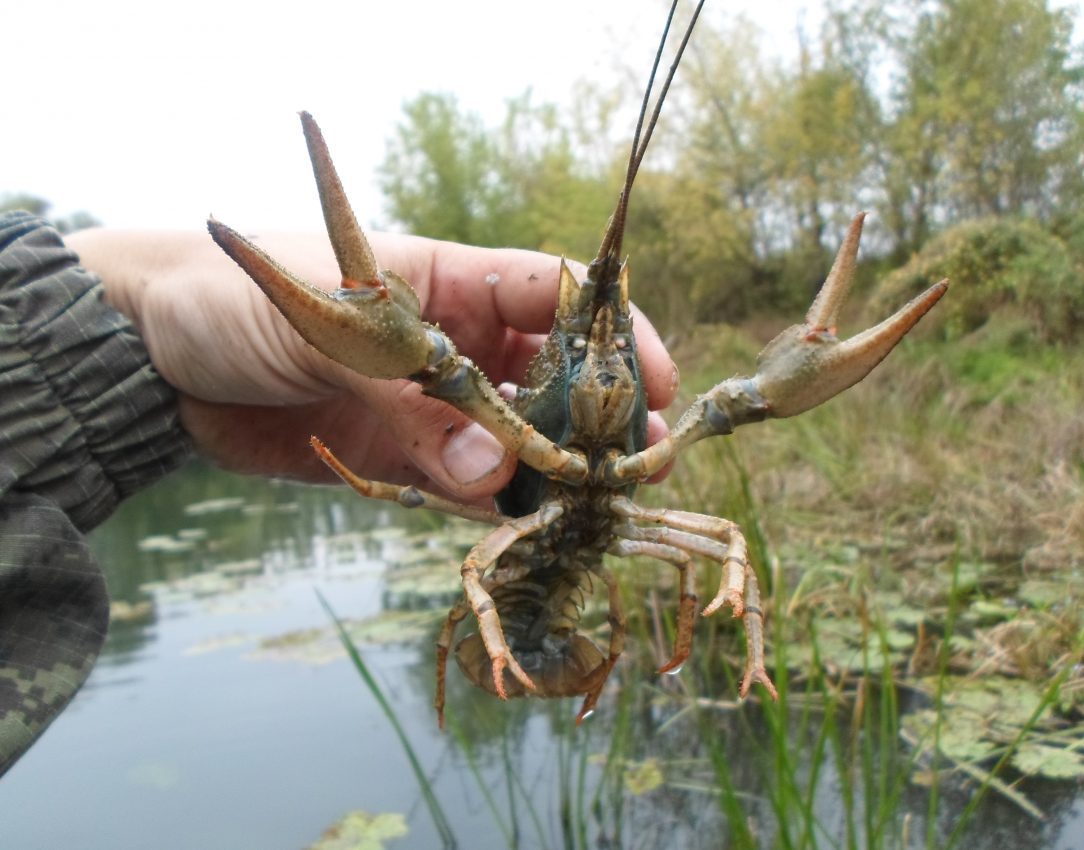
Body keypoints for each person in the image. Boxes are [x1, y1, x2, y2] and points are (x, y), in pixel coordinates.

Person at [0, 210, 678, 777]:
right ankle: (500, 646)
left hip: (556, 554)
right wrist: (130, 310)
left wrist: (124, 312)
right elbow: (469, 557)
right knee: (477, 569)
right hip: (516, 586)